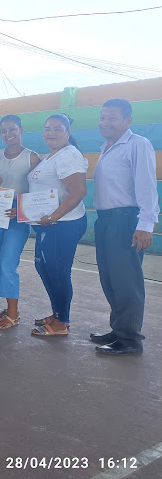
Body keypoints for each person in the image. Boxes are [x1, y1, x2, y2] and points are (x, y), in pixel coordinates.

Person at [91, 99, 158, 355]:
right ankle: (119, 329)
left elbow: (146, 186)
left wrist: (146, 225)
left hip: (126, 220)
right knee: (110, 279)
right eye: (102, 117)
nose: (105, 122)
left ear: (127, 120)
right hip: (106, 220)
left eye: (112, 117)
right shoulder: (106, 148)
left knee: (126, 280)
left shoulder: (137, 144)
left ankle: (130, 340)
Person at [28, 114, 87, 337]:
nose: (51, 133)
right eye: (47, 129)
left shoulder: (69, 155)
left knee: (58, 272)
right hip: (49, 224)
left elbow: (78, 192)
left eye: (57, 129)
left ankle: (62, 322)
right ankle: (57, 313)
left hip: (63, 225)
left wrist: (53, 217)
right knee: (44, 268)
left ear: (68, 132)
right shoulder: (51, 156)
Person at [0, 116, 40, 330]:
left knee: (8, 263)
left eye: (12, 129)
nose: (8, 134)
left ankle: (14, 315)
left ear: (21, 129)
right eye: (4, 131)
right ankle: (9, 308)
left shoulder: (31, 158)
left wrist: (22, 210)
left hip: (18, 216)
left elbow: (38, 191)